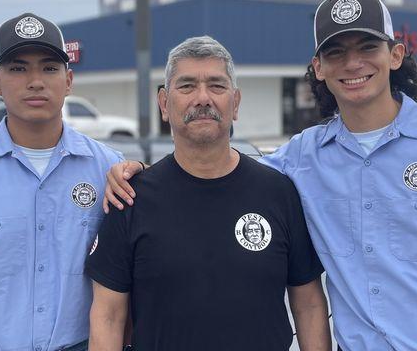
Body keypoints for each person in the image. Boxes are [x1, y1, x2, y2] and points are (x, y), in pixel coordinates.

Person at [104, 0, 417, 351]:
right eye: (336, 52)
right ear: (318, 67)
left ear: (395, 55)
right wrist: (142, 172)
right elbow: (214, 169)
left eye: (367, 48)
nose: (352, 63)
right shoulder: (302, 157)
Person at [86, 36, 331, 351]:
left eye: (216, 86)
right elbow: (108, 317)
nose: (202, 98)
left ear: (236, 103)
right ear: (164, 103)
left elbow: (309, 304)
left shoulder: (278, 192)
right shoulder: (130, 200)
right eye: (187, 86)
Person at [0, 13, 123, 351]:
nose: (35, 81)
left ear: (69, 80)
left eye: (49, 68)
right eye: (17, 68)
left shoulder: (109, 169)